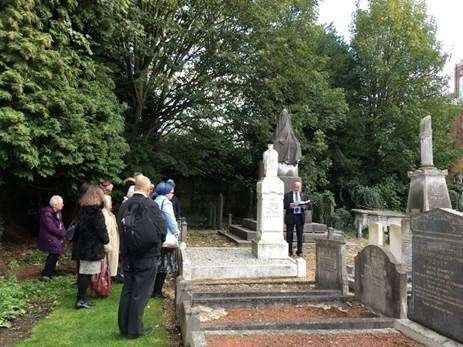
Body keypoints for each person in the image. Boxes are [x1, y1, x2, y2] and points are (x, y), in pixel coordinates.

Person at [117, 175, 165, 339]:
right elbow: (161, 230)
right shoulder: (151, 205)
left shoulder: (124, 206)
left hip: (128, 255)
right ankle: (134, 330)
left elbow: (120, 230)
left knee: (128, 290)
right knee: (141, 293)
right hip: (147, 255)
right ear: (148, 188)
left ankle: (124, 327)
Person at [75, 186, 109, 309]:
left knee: (83, 273)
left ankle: (82, 298)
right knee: (86, 274)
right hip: (92, 248)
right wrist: (106, 240)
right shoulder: (96, 213)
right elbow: (102, 231)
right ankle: (81, 299)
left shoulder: (83, 211)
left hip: (83, 246)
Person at [152, 181, 180, 298]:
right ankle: (157, 291)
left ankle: (152, 289)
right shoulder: (166, 202)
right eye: (171, 192)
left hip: (155, 236)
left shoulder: (155, 200)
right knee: (163, 266)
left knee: (156, 265)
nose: (172, 194)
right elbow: (171, 220)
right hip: (165, 237)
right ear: (166, 193)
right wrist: (176, 232)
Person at [38, 195, 65, 281]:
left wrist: (64, 232)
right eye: (61, 203)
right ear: (55, 204)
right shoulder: (47, 214)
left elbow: (61, 225)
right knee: (54, 253)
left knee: (55, 253)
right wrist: (62, 233)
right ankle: (46, 274)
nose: (63, 204)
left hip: (53, 236)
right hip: (48, 237)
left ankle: (49, 273)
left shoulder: (57, 213)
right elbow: (51, 228)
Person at [283, 181, 312, 257]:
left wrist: (305, 206)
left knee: (300, 235)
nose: (297, 188)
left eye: (298, 187)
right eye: (295, 187)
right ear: (292, 187)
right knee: (289, 235)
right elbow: (284, 205)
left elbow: (309, 205)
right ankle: (289, 251)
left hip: (300, 216)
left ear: (300, 187)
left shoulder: (304, 195)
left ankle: (299, 251)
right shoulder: (287, 195)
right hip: (291, 216)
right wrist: (290, 206)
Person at [102, 195, 120, 279]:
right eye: (110, 202)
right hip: (109, 245)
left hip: (113, 244)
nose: (112, 203)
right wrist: (107, 246)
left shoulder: (110, 215)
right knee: (105, 266)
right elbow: (107, 232)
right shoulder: (105, 216)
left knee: (108, 266)